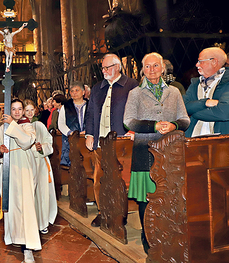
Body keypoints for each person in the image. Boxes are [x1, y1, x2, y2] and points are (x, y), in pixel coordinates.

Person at [123, 52, 190, 254]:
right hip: (145, 152)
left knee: (170, 196)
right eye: (147, 66)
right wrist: (154, 126)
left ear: (163, 68)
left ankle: (167, 233)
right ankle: (148, 236)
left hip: (170, 152)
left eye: (155, 66)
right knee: (146, 198)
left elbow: (185, 119)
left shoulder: (175, 92)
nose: (152, 70)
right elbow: (128, 121)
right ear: (143, 70)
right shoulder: (135, 93)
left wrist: (173, 125)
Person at [84, 53, 139, 227]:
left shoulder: (131, 85)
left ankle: (120, 213)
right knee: (99, 178)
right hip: (101, 142)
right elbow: (91, 112)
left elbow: (138, 110)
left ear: (117, 67)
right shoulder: (97, 88)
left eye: (107, 67)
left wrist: (133, 130)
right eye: (103, 68)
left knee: (120, 180)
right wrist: (89, 134)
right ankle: (102, 211)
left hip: (122, 141)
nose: (104, 71)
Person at [0, 98, 40, 263]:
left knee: (26, 208)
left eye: (20, 109)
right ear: (9, 111)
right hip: (8, 171)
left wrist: (12, 124)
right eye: (14, 109)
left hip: (24, 171)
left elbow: (26, 142)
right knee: (12, 208)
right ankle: (14, 237)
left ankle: (28, 247)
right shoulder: (1, 130)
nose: (17, 112)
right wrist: (1, 151)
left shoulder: (27, 126)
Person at [23, 99, 57, 235]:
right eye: (27, 110)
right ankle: (29, 223)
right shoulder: (19, 126)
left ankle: (42, 222)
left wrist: (41, 147)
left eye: (32, 110)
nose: (30, 113)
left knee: (41, 193)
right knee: (29, 194)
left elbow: (49, 142)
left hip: (40, 162)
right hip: (26, 164)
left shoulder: (39, 125)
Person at [183, 47, 229, 137]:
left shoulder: (227, 82)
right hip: (193, 140)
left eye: (201, 61)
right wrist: (205, 103)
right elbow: (183, 107)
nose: (197, 65)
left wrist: (194, 114)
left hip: (221, 143)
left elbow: (223, 112)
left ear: (214, 62)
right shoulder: (195, 83)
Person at [57, 81, 87, 168]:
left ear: (83, 92)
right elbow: (61, 123)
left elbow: (94, 120)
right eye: (72, 91)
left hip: (87, 138)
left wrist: (88, 131)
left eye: (77, 90)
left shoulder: (90, 105)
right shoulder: (65, 106)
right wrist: (70, 133)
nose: (74, 93)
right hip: (71, 139)